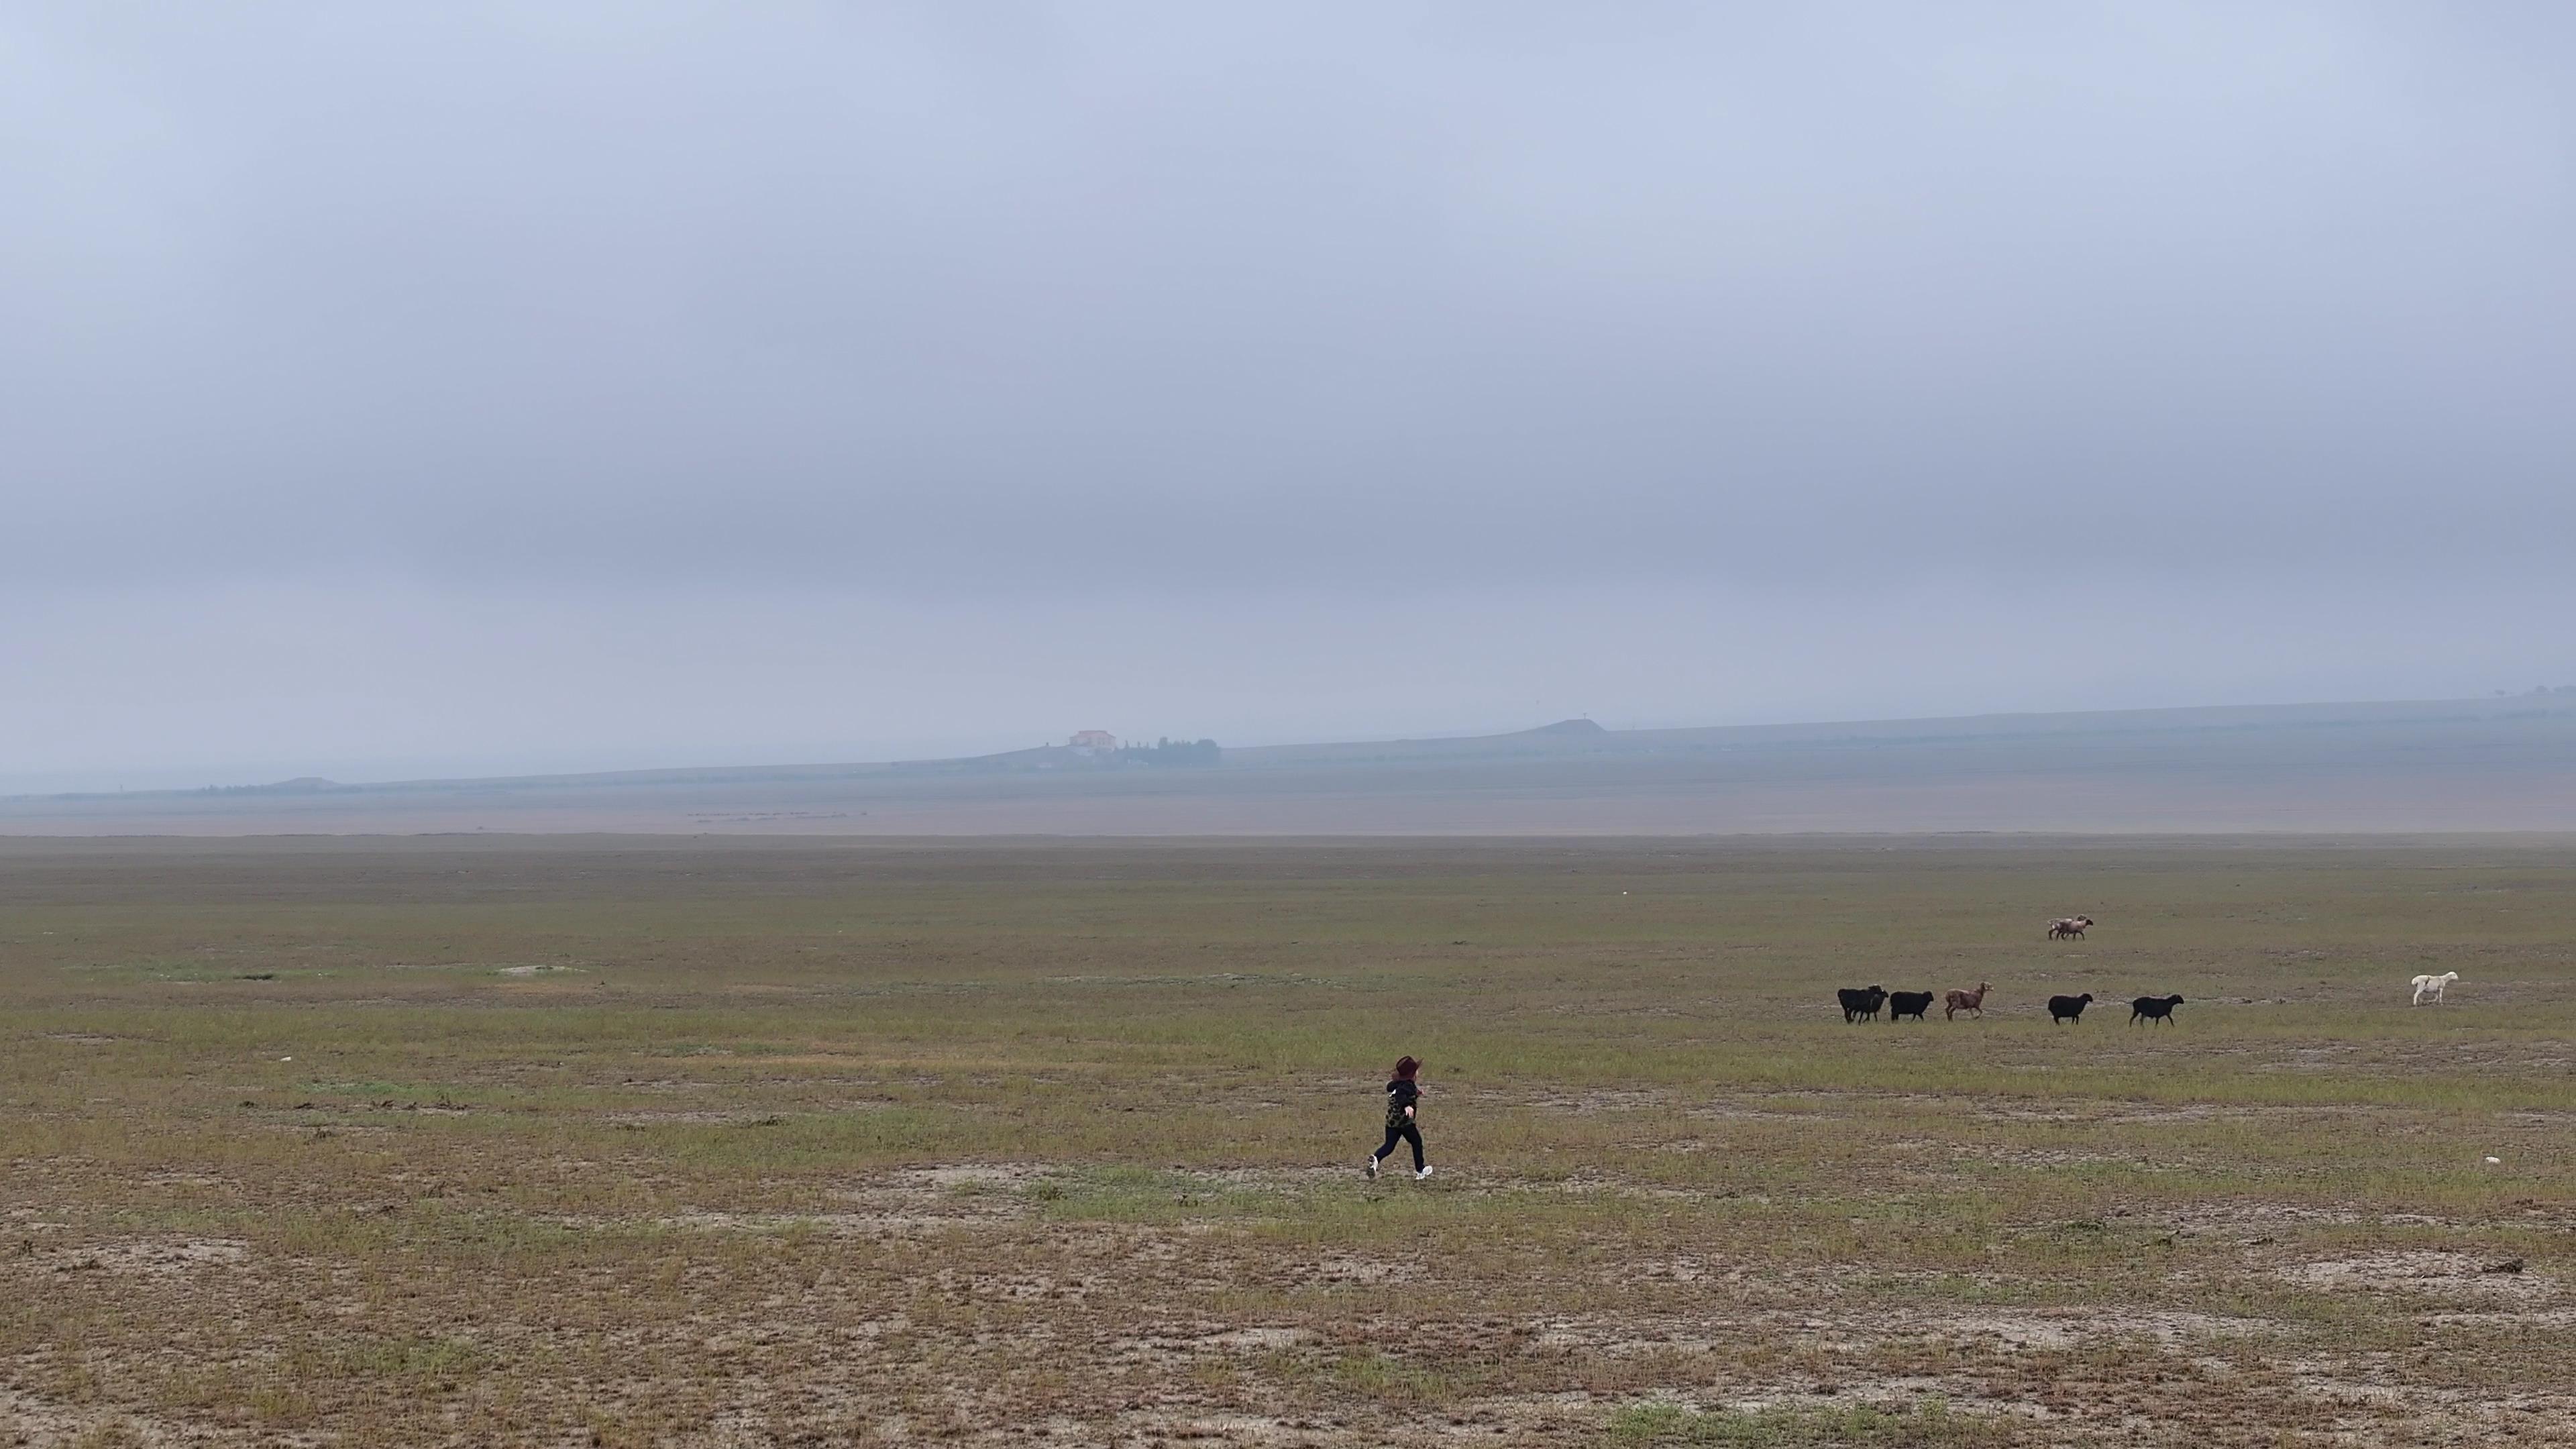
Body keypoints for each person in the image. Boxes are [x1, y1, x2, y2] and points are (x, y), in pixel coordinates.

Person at [1365, 1055, 1432, 1181]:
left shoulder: (1398, 1084)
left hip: (1391, 1122)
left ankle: (1375, 1160)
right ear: (1412, 1074)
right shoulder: (1407, 1086)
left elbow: (1399, 1090)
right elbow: (1401, 1094)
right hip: (1405, 1123)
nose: (1418, 1073)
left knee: (1389, 1146)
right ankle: (1420, 1169)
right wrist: (1407, 1106)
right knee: (1417, 1142)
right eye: (1416, 1071)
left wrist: (1417, 1093)